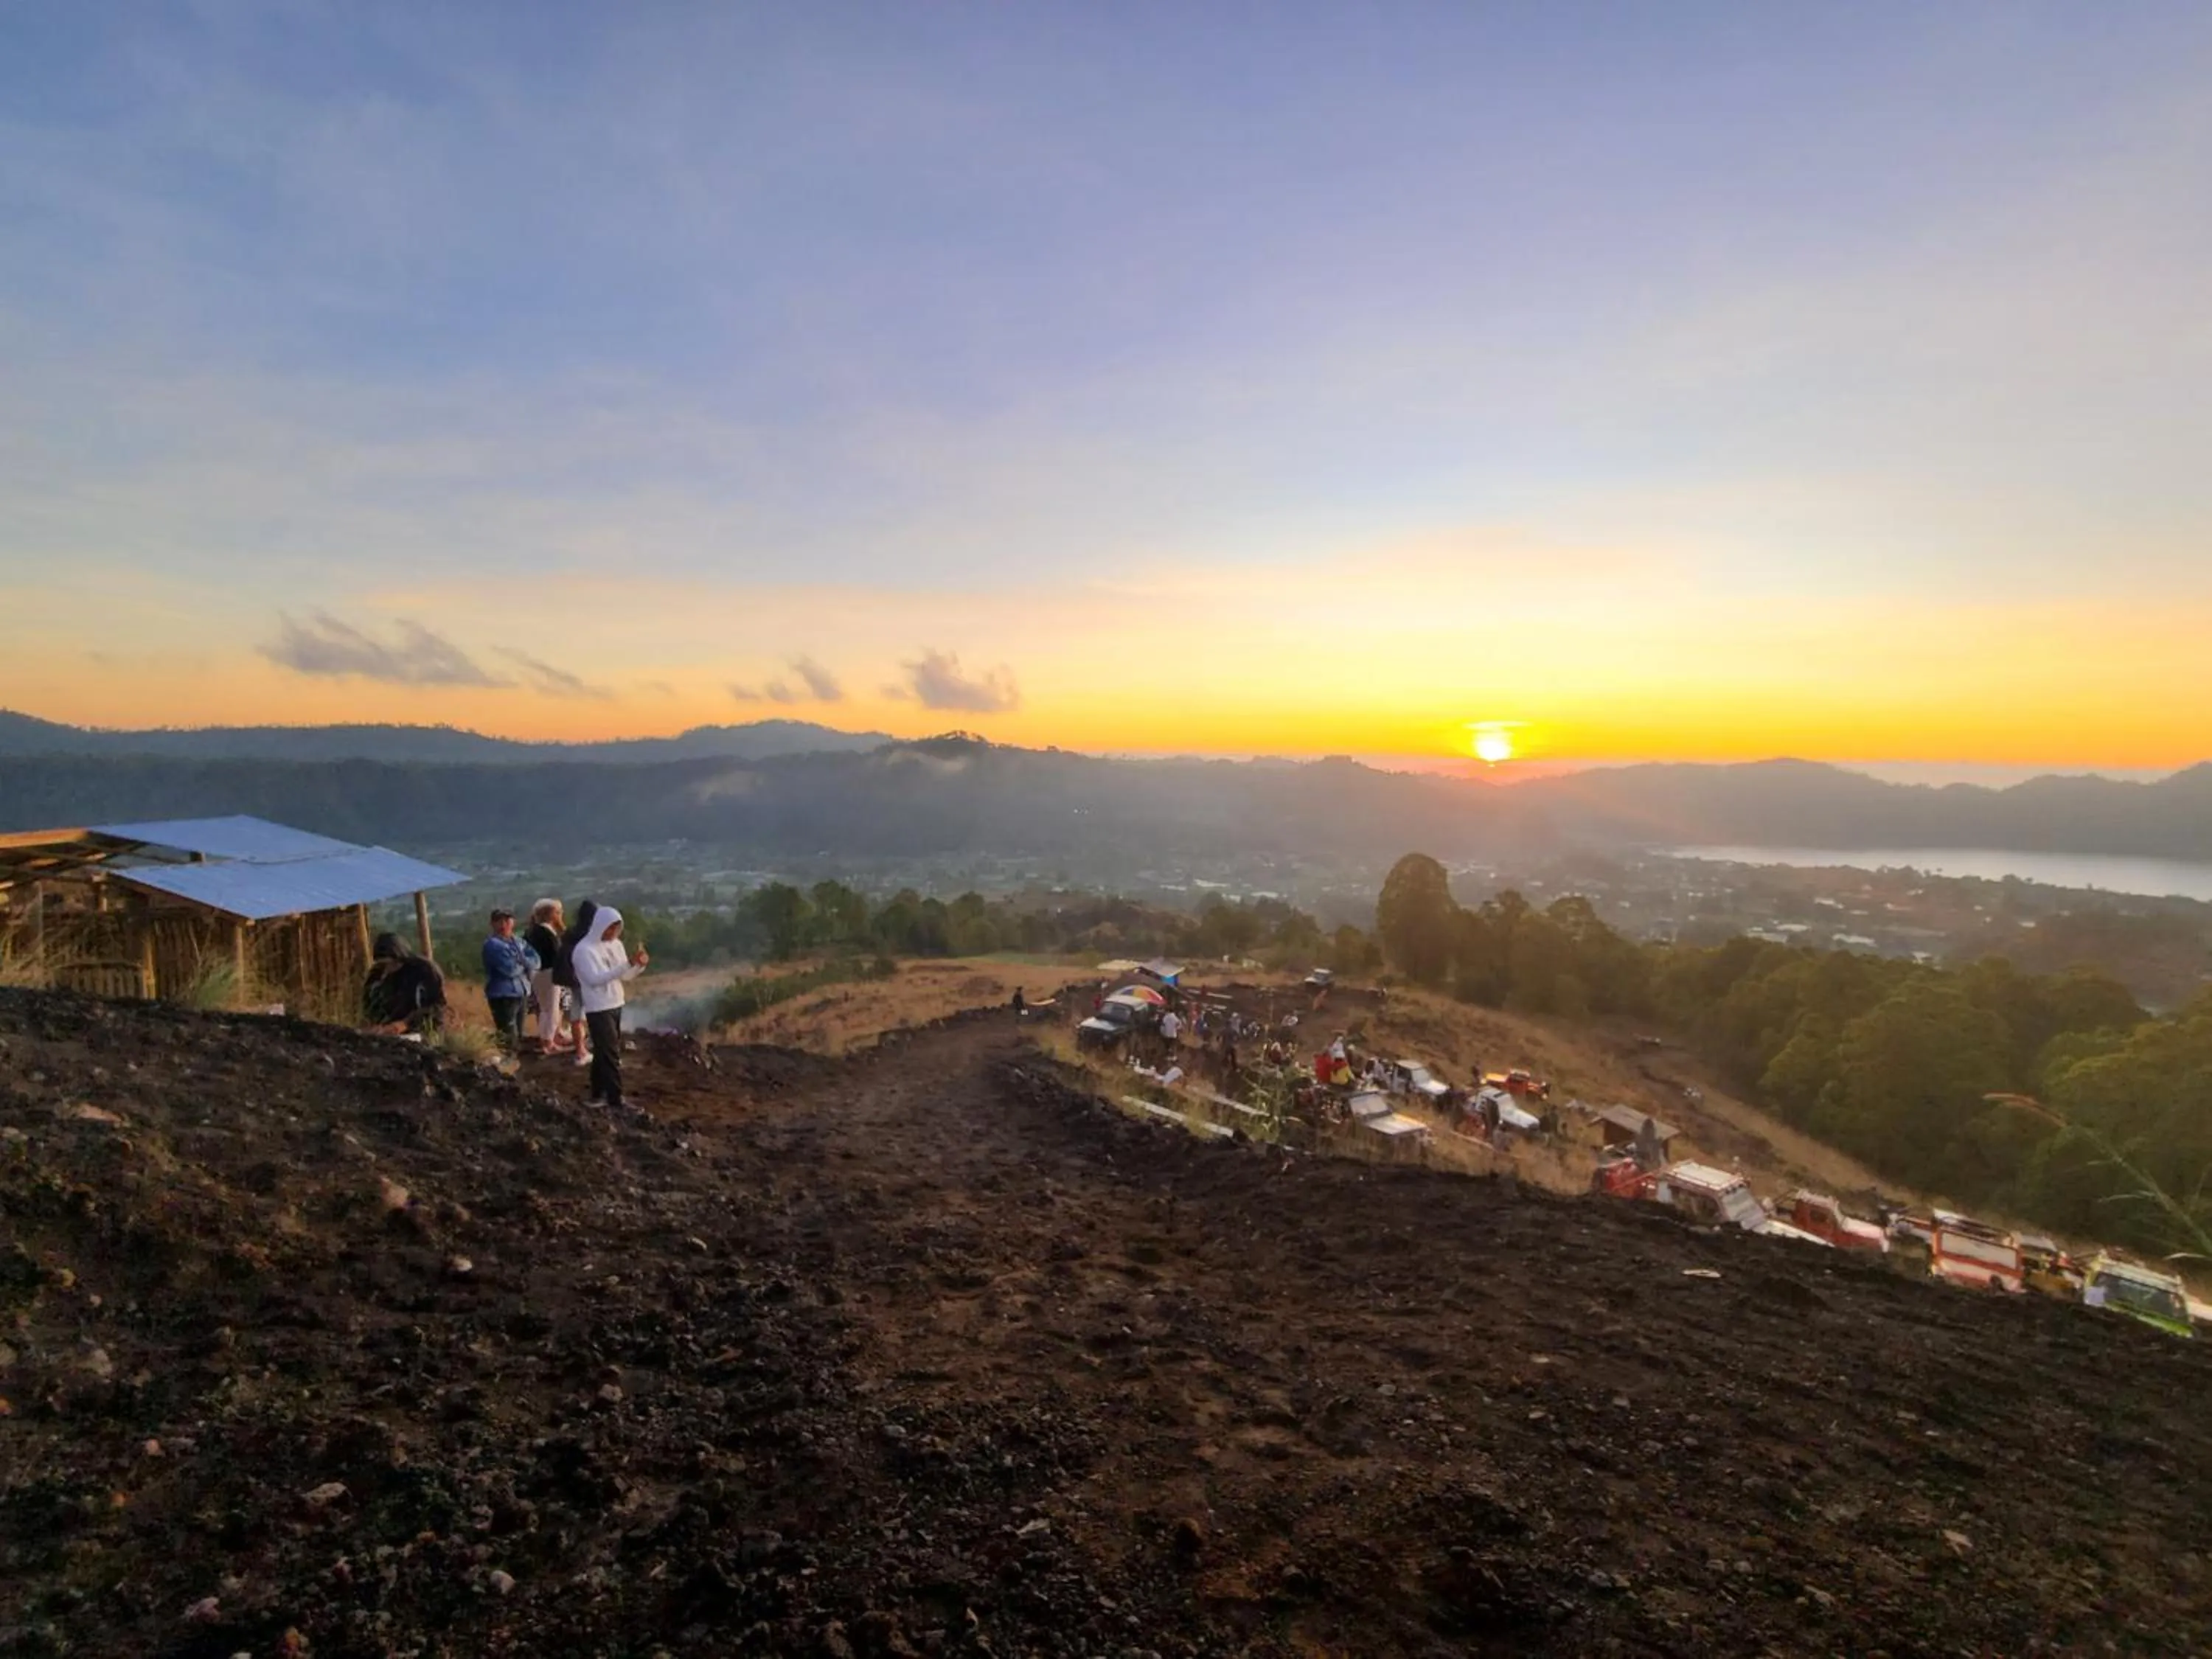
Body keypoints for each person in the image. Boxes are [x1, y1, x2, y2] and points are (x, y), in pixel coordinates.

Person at [572, 905, 648, 1111]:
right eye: (610, 929)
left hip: (616, 1002)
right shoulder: (583, 950)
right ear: (600, 926)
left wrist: (638, 966)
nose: (613, 933)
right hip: (598, 1007)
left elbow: (624, 976)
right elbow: (594, 979)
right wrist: (626, 965)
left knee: (603, 1052)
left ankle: (598, 1094)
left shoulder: (616, 945)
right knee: (611, 1053)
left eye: (617, 929)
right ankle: (616, 1099)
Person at [363, 933, 447, 1035]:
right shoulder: (377, 975)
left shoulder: (425, 971)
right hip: (388, 1031)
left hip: (423, 1031)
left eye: (392, 964)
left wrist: (406, 1024)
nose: (389, 968)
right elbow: (369, 1006)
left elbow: (437, 1007)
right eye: (384, 965)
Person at [481, 908, 539, 1053]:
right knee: (508, 1035)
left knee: (518, 1034)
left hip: (521, 992)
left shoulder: (519, 941)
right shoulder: (492, 945)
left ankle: (517, 1064)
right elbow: (509, 969)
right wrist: (525, 965)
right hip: (503, 995)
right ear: (492, 924)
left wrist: (522, 962)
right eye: (499, 921)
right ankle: (508, 1065)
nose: (504, 924)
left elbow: (536, 961)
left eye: (507, 920)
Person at [552, 898, 599, 1068]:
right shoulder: (592, 936)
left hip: (573, 980)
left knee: (576, 1017)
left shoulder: (571, 933)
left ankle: (580, 1050)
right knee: (596, 1015)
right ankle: (595, 1047)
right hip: (590, 980)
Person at [523, 899, 566, 1052]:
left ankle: (545, 1039)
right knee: (552, 1009)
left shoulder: (533, 932)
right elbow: (557, 955)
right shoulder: (546, 932)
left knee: (545, 1009)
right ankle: (548, 1042)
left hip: (537, 974)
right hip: (549, 973)